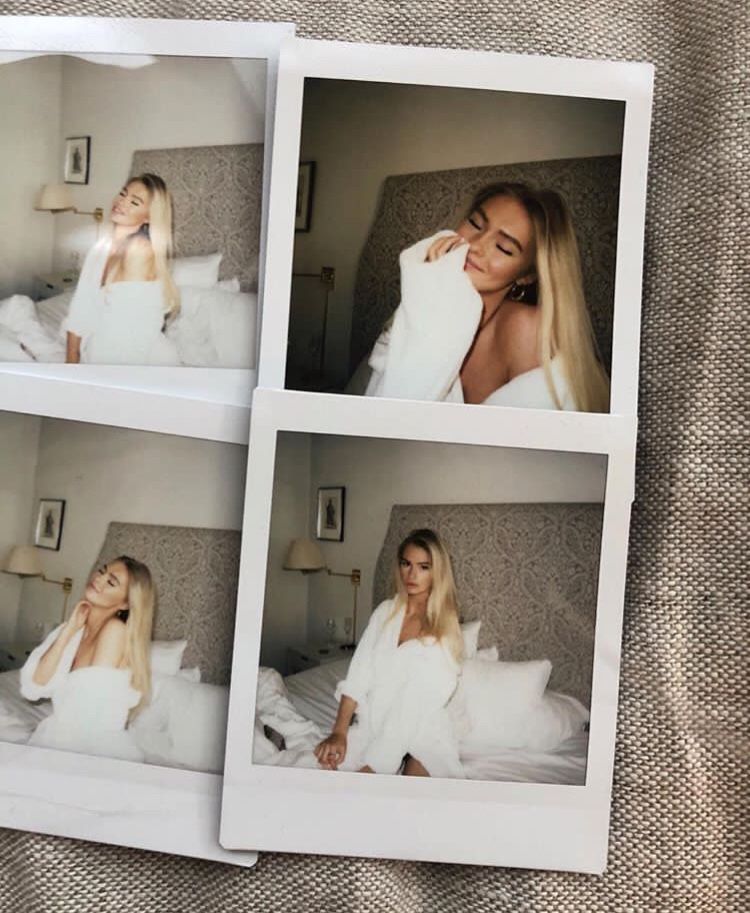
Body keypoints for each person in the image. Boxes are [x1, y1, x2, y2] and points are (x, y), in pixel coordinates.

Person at [365, 182, 610, 413]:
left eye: (503, 248)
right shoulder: (421, 305)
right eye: (475, 223)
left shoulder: (527, 330)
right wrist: (430, 290)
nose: (475, 245)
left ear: (527, 276)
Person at [314, 529, 464, 778]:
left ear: (437, 572)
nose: (411, 575)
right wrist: (339, 732)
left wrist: (375, 767)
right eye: (406, 564)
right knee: (321, 770)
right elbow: (358, 675)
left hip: (422, 730)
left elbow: (412, 707)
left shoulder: (444, 629)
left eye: (423, 567)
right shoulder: (385, 612)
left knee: (409, 793)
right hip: (373, 726)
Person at [20, 556, 155, 761]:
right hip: (65, 734)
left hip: (90, 747)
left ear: (125, 603)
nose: (99, 579)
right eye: (102, 571)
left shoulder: (115, 631)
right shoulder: (76, 628)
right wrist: (68, 630)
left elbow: (88, 714)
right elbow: (34, 686)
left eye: (111, 582)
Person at [64, 173, 180, 366]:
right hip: (104, 347)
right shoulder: (102, 246)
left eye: (134, 202)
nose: (121, 202)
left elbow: (127, 340)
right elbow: (80, 307)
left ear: (149, 217)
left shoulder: (140, 251)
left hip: (139, 360)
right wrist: (71, 360)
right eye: (123, 193)